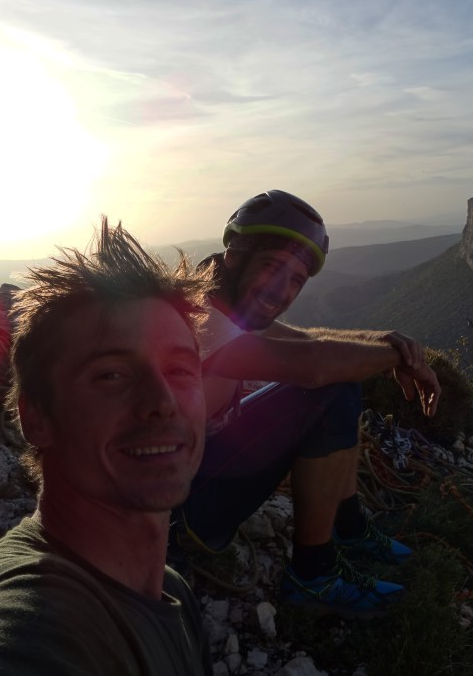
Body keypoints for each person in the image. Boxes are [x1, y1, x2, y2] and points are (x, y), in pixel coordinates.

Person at [0, 219, 216, 676]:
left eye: (180, 369)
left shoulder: (169, 592)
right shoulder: (12, 656)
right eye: (112, 374)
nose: (162, 401)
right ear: (35, 418)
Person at [171, 190, 442, 619]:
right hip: (181, 509)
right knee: (327, 390)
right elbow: (314, 366)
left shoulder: (218, 299)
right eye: (272, 267)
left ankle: (348, 526)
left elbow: (306, 340)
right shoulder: (203, 320)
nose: (281, 290)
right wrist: (396, 357)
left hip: (193, 476)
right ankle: (313, 574)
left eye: (296, 280)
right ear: (236, 256)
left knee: (340, 384)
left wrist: (384, 341)